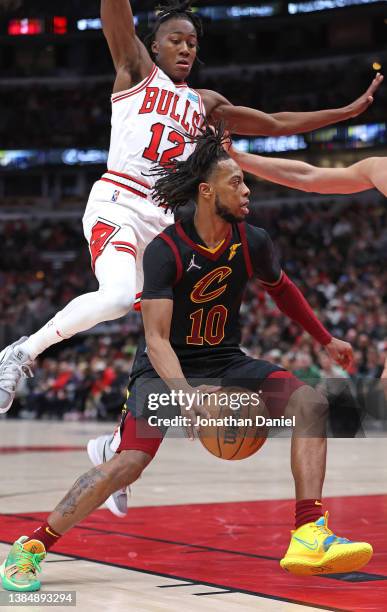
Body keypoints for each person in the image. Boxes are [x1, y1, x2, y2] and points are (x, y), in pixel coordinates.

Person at [0, 0, 382, 512]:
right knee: (115, 297)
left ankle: (115, 446)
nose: (185, 47)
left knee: (169, 335)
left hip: (164, 220)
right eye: (176, 40)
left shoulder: (205, 104)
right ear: (154, 45)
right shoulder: (134, 70)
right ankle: (22, 352)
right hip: (119, 199)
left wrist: (345, 112)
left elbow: (274, 122)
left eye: (193, 43)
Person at [0, 126, 373, 593]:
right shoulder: (165, 250)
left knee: (311, 403)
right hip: (164, 369)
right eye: (236, 181)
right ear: (206, 190)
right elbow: (156, 339)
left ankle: (308, 533)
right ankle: (32, 545)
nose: (246, 190)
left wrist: (325, 338)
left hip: (225, 359)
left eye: (245, 181)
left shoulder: (252, 240)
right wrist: (185, 394)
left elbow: (283, 291)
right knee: (127, 465)